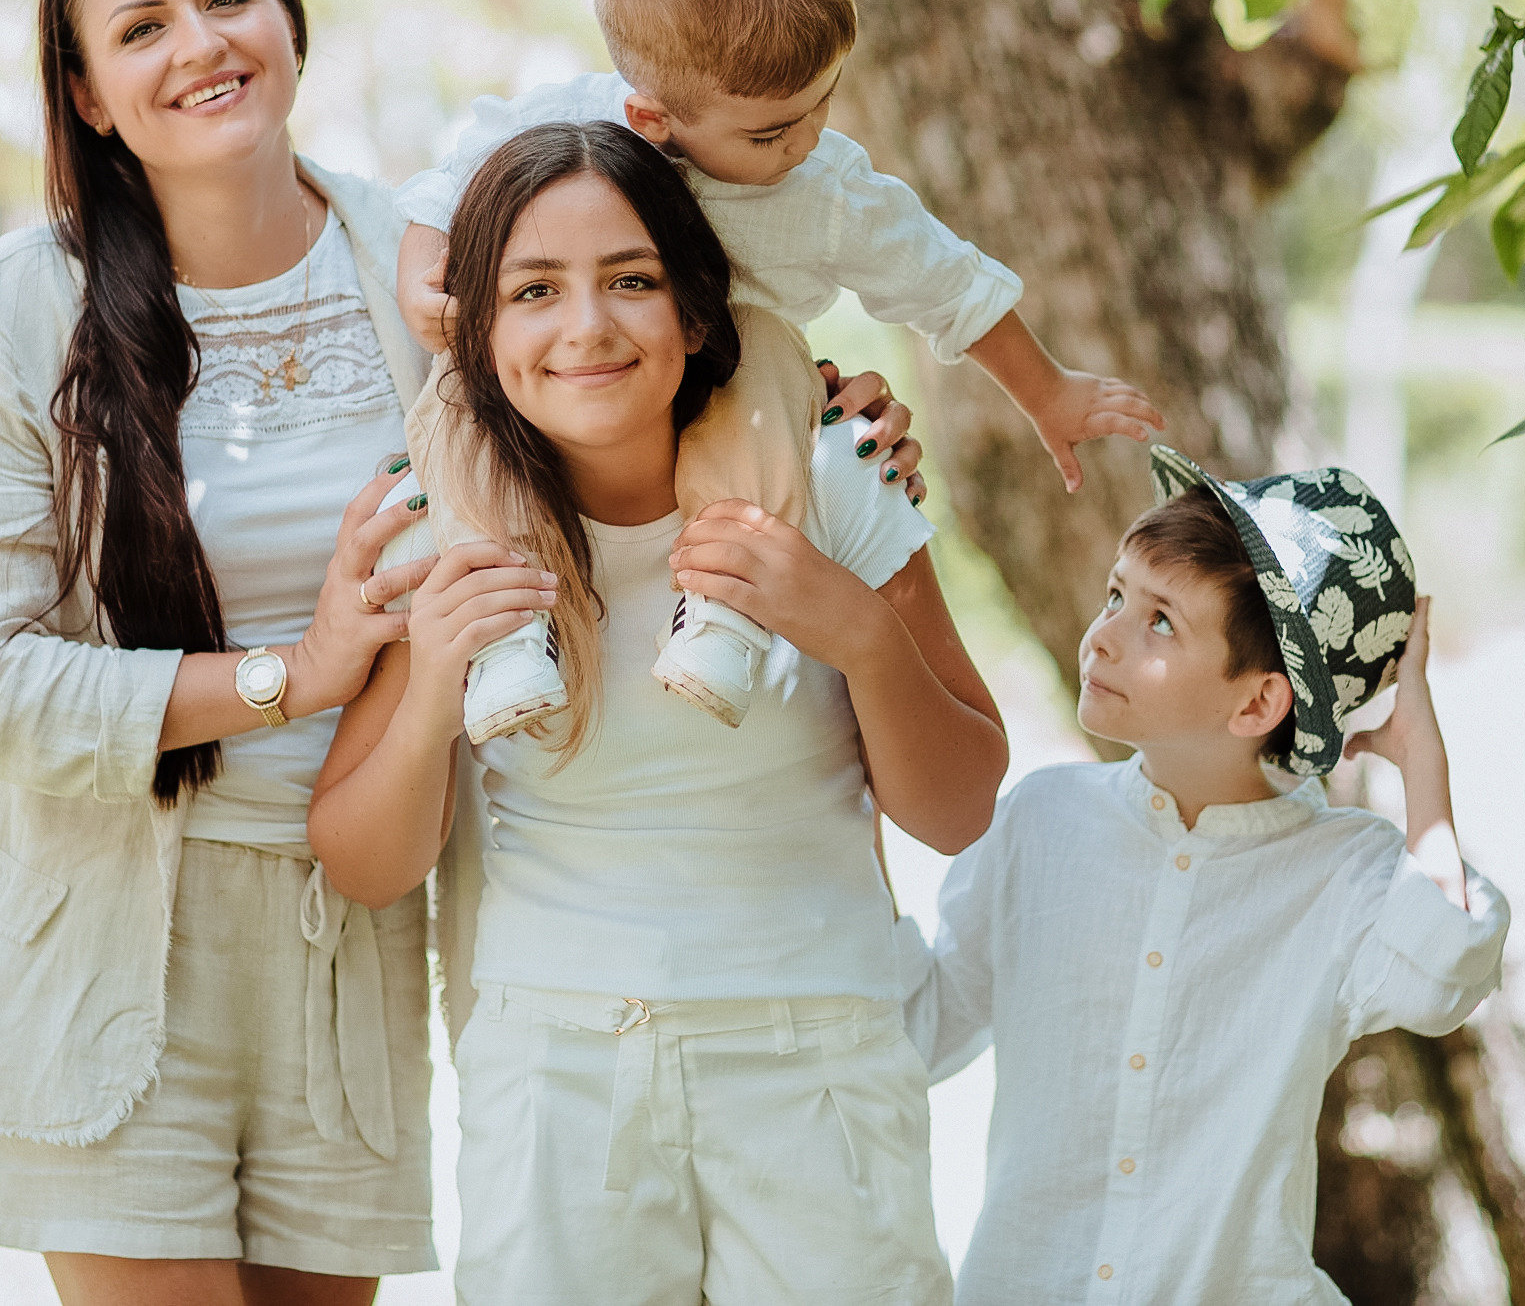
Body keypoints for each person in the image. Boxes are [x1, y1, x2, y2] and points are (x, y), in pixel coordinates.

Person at [311, 121, 1009, 1304]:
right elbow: (364, 862)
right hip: (559, 1072)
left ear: (696, 310)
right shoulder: (446, 522)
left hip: (817, 1056)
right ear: (478, 329)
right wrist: (432, 685)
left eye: (631, 280)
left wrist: (851, 627)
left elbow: (960, 806)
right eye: (534, 290)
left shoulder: (829, 473)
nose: (586, 326)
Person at [0, 0, 448, 1306]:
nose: (198, 45)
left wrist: (827, 419)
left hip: (352, 939)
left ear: (287, 20)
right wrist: (295, 675)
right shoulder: (22, 309)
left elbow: (630, 375)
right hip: (106, 945)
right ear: (85, 94)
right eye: (138, 27)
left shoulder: (427, 269)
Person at [387, 0, 1165, 743]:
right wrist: (424, 267)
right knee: (456, 395)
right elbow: (459, 169)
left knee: (761, 349)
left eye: (822, 102)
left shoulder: (826, 187)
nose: (803, 142)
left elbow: (947, 279)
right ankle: (507, 626)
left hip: (734, 373)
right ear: (652, 118)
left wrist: (1048, 391)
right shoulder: (582, 125)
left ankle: (721, 610)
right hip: (599, 397)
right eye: (767, 133)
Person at [897, 447, 1511, 1305]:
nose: (1103, 633)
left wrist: (1421, 768)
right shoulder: (1039, 823)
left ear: (1258, 704)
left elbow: (1447, 968)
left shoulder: (1343, 875)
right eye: (1117, 595)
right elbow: (914, 1029)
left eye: (1159, 622)